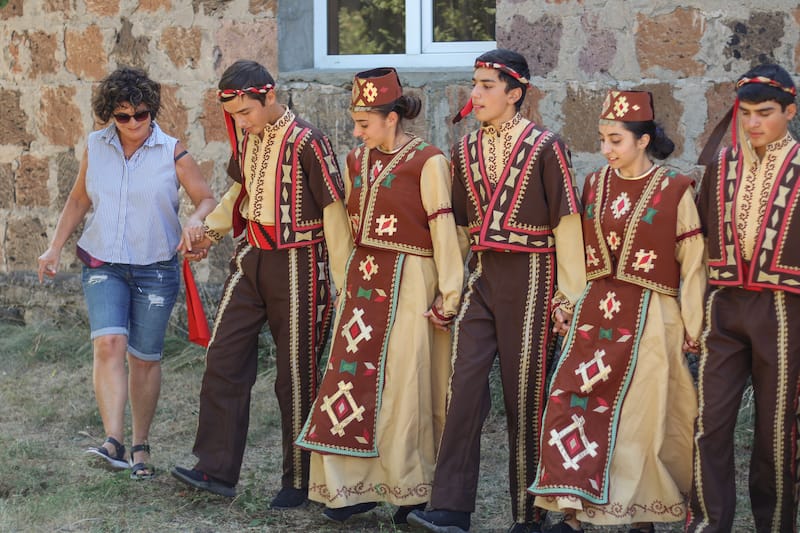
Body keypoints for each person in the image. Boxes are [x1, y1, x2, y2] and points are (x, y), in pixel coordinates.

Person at [408, 48, 586, 533]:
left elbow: (567, 226)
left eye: (488, 85)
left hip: (534, 278)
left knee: (523, 396)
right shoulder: (463, 151)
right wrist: (450, 291)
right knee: (462, 387)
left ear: (515, 93)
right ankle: (450, 506)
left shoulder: (547, 146)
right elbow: (461, 230)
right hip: (483, 280)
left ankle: (529, 514)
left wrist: (569, 297)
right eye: (475, 83)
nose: (477, 93)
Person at [170, 59, 352, 507]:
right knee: (223, 357)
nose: (241, 123)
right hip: (251, 257)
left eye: (245, 112)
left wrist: (346, 285)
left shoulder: (310, 141)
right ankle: (215, 468)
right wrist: (210, 233)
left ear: (269, 97)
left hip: (300, 262)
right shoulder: (248, 137)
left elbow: (334, 212)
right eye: (234, 117)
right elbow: (239, 193)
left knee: (297, 374)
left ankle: (300, 481)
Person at [528, 90, 706, 533]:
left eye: (615, 140)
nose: (605, 149)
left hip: (651, 314)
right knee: (570, 404)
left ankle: (639, 512)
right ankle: (572, 507)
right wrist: (566, 302)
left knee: (638, 419)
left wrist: (693, 324)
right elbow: (579, 251)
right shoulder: (596, 184)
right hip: (596, 314)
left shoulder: (675, 189)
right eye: (603, 139)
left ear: (643, 141)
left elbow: (695, 264)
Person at [293, 67, 465, 525]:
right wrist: (344, 279)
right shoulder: (356, 161)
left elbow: (444, 229)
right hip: (364, 283)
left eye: (364, 122)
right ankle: (355, 486)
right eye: (355, 122)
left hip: (411, 280)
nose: (356, 131)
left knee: (407, 386)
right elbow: (347, 230)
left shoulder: (429, 161)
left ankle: (412, 486)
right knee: (349, 383)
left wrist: (450, 293)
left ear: (392, 117)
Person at [37, 67, 217, 480]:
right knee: (109, 345)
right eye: (123, 116)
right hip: (104, 263)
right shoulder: (95, 147)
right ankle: (113, 441)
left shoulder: (172, 151)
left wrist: (196, 221)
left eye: (142, 114)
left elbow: (205, 198)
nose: (134, 123)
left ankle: (140, 445)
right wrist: (55, 245)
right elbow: (79, 197)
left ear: (152, 111)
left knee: (144, 359)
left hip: (156, 269)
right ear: (109, 116)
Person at [687, 64, 800, 532]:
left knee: (777, 432)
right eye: (746, 113)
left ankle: (774, 525)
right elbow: (696, 240)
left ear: (790, 112)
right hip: (725, 305)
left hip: (784, 309)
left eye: (766, 113)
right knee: (709, 424)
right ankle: (708, 524)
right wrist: (694, 311)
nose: (753, 123)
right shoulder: (722, 165)